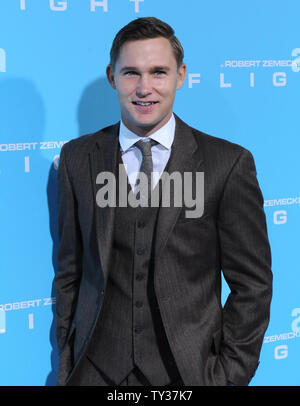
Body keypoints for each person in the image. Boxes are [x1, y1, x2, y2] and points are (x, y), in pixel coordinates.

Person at [55, 17, 272, 386]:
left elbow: (253, 285)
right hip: (94, 370)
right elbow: (69, 273)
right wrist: (69, 360)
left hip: (188, 374)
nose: (144, 88)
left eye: (158, 72)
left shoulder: (227, 163)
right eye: (130, 73)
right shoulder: (77, 158)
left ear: (180, 75)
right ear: (112, 77)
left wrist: (227, 376)